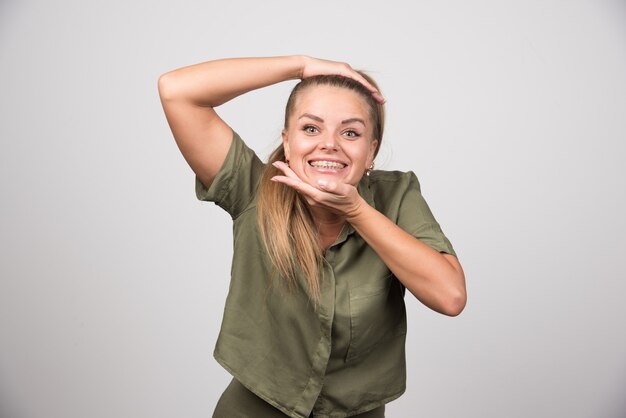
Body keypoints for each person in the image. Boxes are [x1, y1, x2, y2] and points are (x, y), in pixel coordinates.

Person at [158, 55, 466, 418]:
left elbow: (450, 296)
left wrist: (356, 211)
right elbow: (176, 90)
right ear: (287, 143)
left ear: (371, 152)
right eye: (311, 129)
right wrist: (300, 65)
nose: (330, 144)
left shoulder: (396, 197)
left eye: (350, 133)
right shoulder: (253, 190)